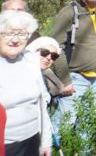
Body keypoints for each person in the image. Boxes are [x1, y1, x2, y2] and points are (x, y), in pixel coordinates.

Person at [52, 0, 96, 127]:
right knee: (63, 124)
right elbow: (56, 47)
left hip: (95, 79)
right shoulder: (69, 12)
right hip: (74, 79)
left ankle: (84, 152)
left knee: (88, 126)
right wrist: (65, 80)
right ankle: (50, 150)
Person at [0, 10, 52, 156]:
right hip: (5, 145)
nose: (15, 39)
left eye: (22, 34)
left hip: (33, 139)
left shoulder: (31, 60)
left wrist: (45, 141)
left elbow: (41, 103)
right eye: (9, 33)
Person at [26, 37, 63, 106]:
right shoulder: (23, 74)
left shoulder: (40, 75)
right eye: (44, 53)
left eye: (54, 56)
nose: (49, 58)